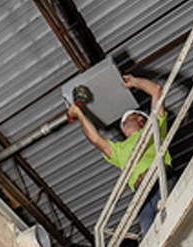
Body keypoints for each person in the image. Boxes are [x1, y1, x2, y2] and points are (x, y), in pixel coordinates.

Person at [67, 73, 172, 236]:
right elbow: (95, 139)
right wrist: (80, 114)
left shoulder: (154, 127)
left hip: (161, 179)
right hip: (141, 194)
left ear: (140, 119)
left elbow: (156, 90)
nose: (123, 125)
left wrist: (136, 82)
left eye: (127, 119)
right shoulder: (120, 149)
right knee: (151, 236)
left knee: (171, 218)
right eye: (123, 125)